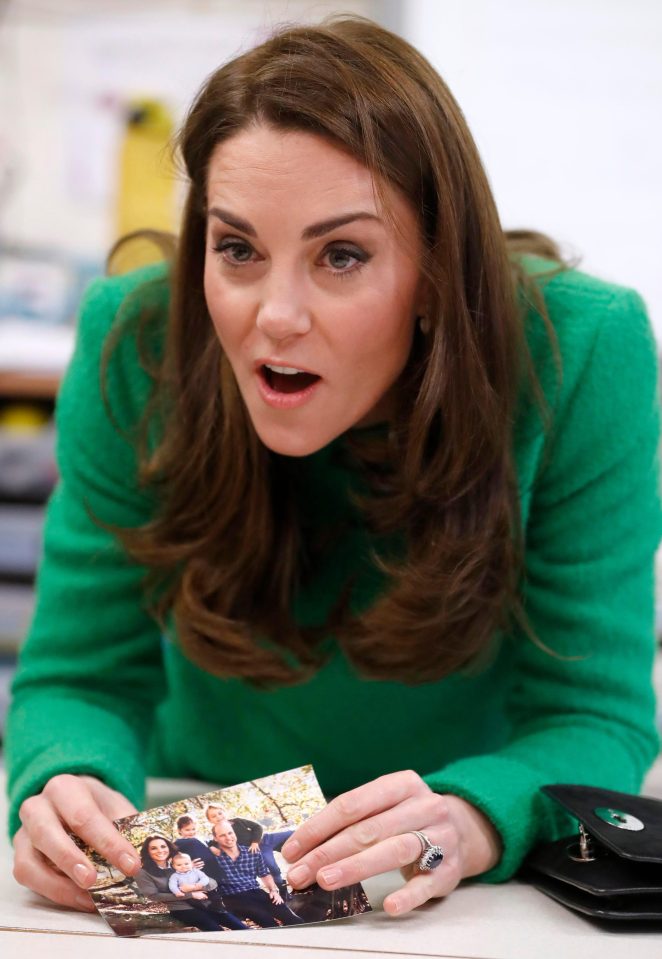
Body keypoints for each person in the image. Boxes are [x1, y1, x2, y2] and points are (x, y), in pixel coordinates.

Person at [6, 14, 660, 922]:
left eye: (341, 255)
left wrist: (473, 816)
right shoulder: (137, 342)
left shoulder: (586, 352)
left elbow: (599, 714)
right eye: (236, 248)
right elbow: (79, 679)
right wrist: (64, 781)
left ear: (435, 268)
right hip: (208, 845)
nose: (276, 316)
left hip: (465, 888)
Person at [134, 836, 248, 932]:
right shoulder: (143, 872)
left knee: (241, 928)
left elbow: (212, 883)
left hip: (208, 904)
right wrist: (191, 894)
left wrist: (195, 886)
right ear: (147, 852)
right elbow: (153, 896)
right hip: (183, 910)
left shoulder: (181, 863)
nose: (160, 850)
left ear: (168, 847)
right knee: (216, 931)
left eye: (163, 846)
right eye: (154, 848)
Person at [209, 820, 303, 927]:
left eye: (230, 833)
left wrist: (273, 890)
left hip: (255, 892)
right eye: (222, 835)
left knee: (294, 920)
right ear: (215, 838)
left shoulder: (251, 852)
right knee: (269, 923)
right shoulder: (211, 858)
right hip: (233, 898)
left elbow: (264, 873)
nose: (228, 837)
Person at [205, 804, 293, 897]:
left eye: (220, 813)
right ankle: (283, 889)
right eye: (214, 816)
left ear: (224, 812)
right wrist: (211, 847)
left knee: (291, 834)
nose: (218, 817)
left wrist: (255, 842)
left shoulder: (237, 821)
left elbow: (257, 827)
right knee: (272, 867)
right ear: (210, 820)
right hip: (258, 851)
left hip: (265, 840)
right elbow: (212, 842)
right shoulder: (217, 831)